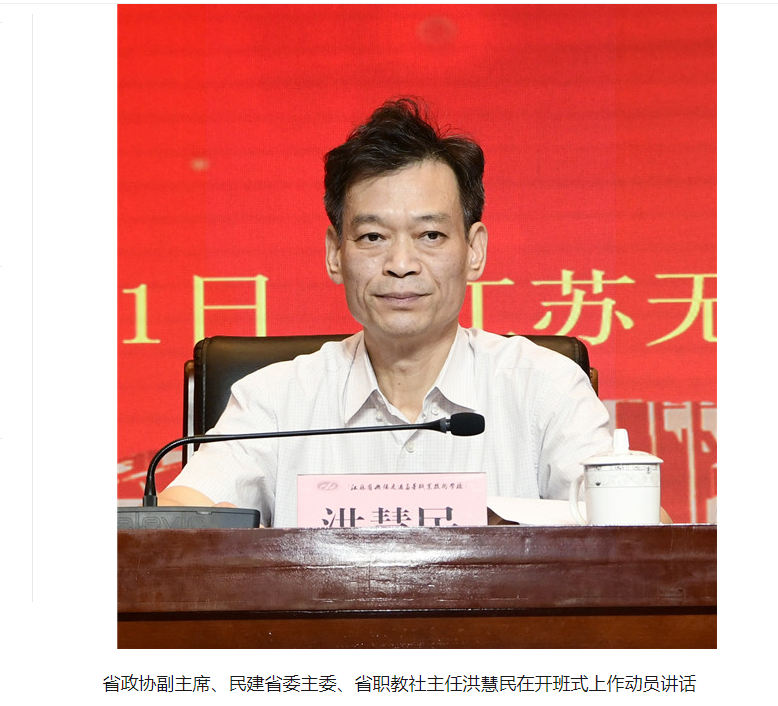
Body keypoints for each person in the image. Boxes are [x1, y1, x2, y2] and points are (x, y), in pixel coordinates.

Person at [159, 97, 614, 526]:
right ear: (335, 254)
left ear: (474, 250)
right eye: (373, 237)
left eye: (430, 235)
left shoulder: (545, 389)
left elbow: (629, 531)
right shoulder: (275, 400)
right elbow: (176, 517)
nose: (400, 264)